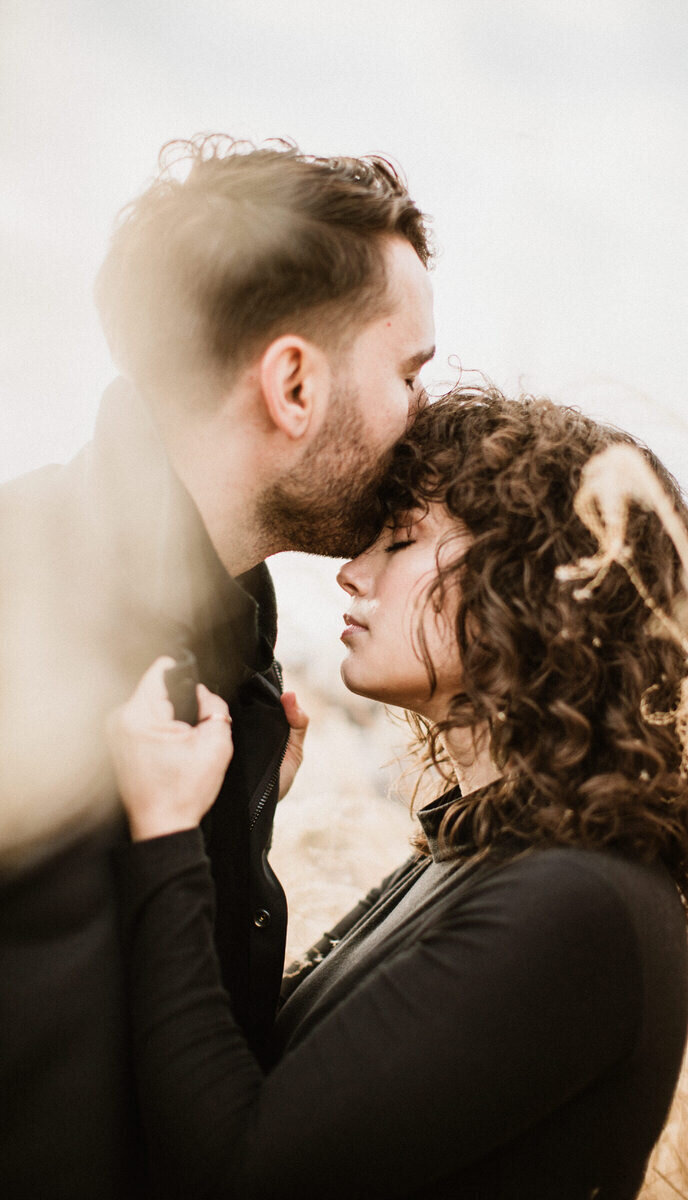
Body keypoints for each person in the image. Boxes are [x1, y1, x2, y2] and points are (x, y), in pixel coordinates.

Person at [108, 386, 688, 1199]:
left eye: (400, 540)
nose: (350, 573)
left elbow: (234, 1167)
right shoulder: (485, 851)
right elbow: (256, 1054)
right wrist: (238, 821)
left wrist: (164, 837)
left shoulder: (579, 900)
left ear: (525, 586)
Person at [0, 135, 434, 1199]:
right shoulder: (24, 594)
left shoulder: (226, 642)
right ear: (292, 382)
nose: (421, 418)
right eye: (407, 373)